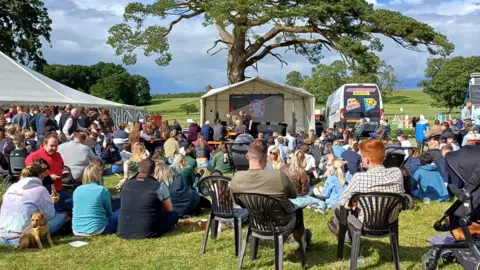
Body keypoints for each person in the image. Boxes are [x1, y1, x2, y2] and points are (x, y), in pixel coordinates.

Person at [329, 140, 404, 236]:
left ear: (367, 160)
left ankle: (343, 234)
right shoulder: (397, 173)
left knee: (337, 207)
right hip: (389, 221)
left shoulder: (359, 177)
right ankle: (342, 232)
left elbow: (344, 201)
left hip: (364, 223)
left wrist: (352, 203)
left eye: (362, 156)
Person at [0, 164, 65, 246]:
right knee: (61, 216)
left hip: (2, 234)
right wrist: (51, 202)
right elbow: (50, 214)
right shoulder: (40, 189)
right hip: (22, 237)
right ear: (40, 176)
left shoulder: (12, 186)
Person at [117, 159, 179, 239]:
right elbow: (169, 209)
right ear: (153, 171)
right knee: (174, 214)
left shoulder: (127, 185)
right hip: (148, 230)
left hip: (123, 230)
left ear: (139, 169)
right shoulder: (159, 186)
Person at [25, 134, 73, 212]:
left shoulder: (58, 155)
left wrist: (63, 174)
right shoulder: (33, 157)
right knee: (58, 213)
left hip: (59, 190)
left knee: (76, 207)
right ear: (44, 144)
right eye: (52, 146)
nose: (54, 148)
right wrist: (50, 177)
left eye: (56, 146)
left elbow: (61, 167)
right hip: (45, 194)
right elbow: (30, 177)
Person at [72, 164, 119, 236]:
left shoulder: (77, 190)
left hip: (77, 230)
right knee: (122, 209)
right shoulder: (102, 190)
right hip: (98, 229)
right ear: (98, 174)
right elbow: (108, 212)